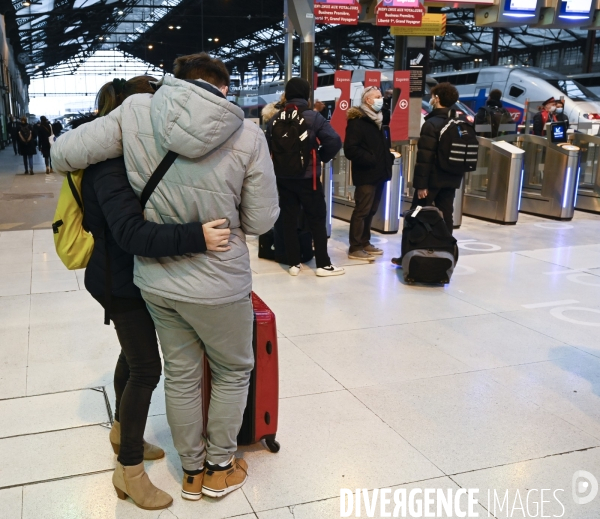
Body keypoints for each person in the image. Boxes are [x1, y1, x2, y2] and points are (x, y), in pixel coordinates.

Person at [51, 52, 279, 502]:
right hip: (217, 281)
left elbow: (62, 153)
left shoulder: (136, 111)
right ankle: (218, 468)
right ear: (224, 88)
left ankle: (190, 473)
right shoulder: (248, 134)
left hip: (155, 280)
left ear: (175, 83)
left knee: (179, 374)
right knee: (233, 370)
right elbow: (260, 221)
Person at [67, 75, 232, 511]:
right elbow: (130, 233)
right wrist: (197, 236)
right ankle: (129, 470)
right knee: (146, 368)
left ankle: (124, 431)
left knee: (131, 356)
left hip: (133, 276)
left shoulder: (134, 153)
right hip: (118, 280)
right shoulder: (108, 162)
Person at [265, 77, 344, 277]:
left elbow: (266, 147)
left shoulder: (275, 119)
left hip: (283, 178)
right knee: (316, 218)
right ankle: (323, 265)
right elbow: (334, 141)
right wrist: (321, 158)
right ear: (306, 95)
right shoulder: (313, 117)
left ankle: (293, 263)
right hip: (308, 179)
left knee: (289, 219)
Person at [392, 82, 461, 259]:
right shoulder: (457, 123)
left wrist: (421, 185)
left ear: (436, 99)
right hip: (451, 180)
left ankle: (408, 253)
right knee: (446, 216)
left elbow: (425, 158)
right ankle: (447, 252)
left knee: (414, 215)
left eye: (432, 96)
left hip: (431, 182)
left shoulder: (431, 124)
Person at [344, 86, 395, 261]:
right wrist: (371, 158)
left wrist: (386, 157)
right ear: (368, 100)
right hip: (366, 174)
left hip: (379, 172)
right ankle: (355, 246)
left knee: (372, 209)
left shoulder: (378, 120)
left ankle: (365, 241)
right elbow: (350, 149)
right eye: (378, 97)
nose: (381, 99)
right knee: (362, 210)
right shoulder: (357, 122)